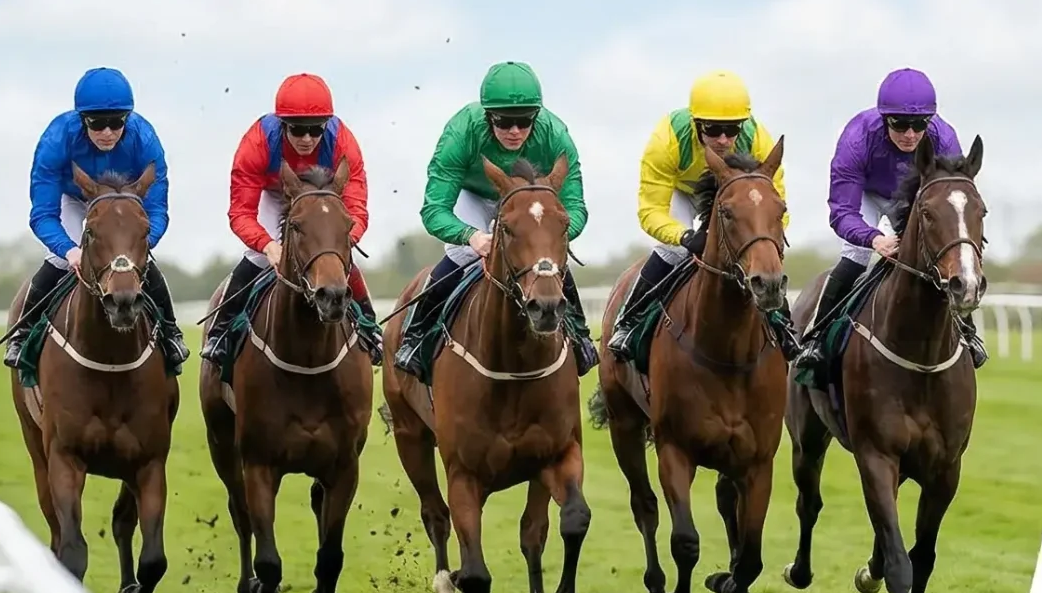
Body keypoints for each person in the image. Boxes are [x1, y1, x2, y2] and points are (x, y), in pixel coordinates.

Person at [393, 61, 598, 377]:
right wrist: (471, 236)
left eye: (525, 121)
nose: (515, 131)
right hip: (474, 196)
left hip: (530, 200)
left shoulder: (556, 135)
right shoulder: (461, 132)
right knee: (461, 254)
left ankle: (580, 334)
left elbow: (576, 207)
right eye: (503, 122)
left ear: (537, 116)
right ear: (487, 115)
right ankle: (417, 336)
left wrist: (553, 235)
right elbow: (434, 210)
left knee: (545, 256)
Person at [797, 67, 988, 372]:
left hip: (917, 195)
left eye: (919, 124)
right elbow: (842, 212)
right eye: (899, 124)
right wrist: (874, 238)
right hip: (869, 196)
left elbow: (952, 198)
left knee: (943, 255)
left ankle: (967, 331)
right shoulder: (857, 138)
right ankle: (817, 339)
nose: (910, 134)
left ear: (930, 121)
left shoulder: (944, 137)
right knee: (856, 257)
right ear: (884, 118)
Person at [4, 66, 186, 373]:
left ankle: (170, 331)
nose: (107, 133)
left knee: (143, 262)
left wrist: (138, 245)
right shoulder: (57, 139)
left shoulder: (145, 141)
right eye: (97, 123)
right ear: (81, 119)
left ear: (127, 119)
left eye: (116, 123)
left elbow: (156, 211)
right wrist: (70, 250)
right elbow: (43, 215)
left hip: (125, 204)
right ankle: (23, 333)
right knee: (61, 261)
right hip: (76, 199)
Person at [199, 73, 382, 368]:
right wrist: (267, 245)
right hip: (275, 193)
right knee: (257, 258)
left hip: (323, 199)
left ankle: (371, 330)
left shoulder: (343, 143)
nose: (307, 139)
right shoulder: (258, 142)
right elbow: (241, 213)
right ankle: (221, 333)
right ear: (282, 125)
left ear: (327, 126)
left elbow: (356, 208)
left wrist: (339, 241)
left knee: (336, 260)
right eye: (297, 130)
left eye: (315, 130)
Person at [607, 69, 792, 361]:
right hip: (682, 191)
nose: (722, 139)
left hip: (737, 195)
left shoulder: (758, 138)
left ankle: (784, 326)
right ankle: (629, 320)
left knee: (763, 251)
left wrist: (769, 237)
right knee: (672, 251)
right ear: (695, 123)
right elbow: (650, 210)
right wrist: (684, 235)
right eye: (712, 128)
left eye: (731, 130)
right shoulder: (667, 140)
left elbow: (774, 200)